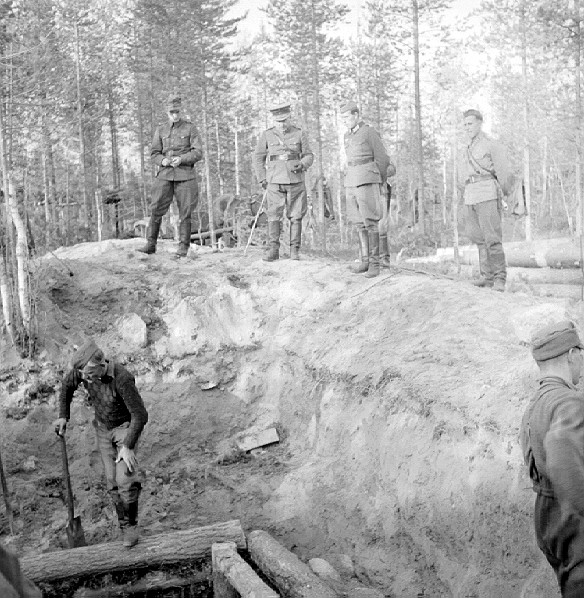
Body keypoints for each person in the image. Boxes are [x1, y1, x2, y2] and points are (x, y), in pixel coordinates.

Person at [53, 340, 149, 548]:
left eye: (89, 374)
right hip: (103, 429)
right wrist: (63, 416)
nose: (86, 379)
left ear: (101, 364)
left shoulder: (122, 379)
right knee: (111, 480)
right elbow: (67, 386)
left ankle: (131, 527)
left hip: (124, 427)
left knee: (126, 478)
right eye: (83, 374)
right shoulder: (84, 371)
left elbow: (140, 415)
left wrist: (128, 446)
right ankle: (123, 525)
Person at [520, 320, 584, 597]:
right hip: (572, 518)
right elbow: (561, 458)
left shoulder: (536, 402)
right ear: (571, 355)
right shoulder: (569, 402)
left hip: (547, 516)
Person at [138, 95, 203, 258]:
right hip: (165, 175)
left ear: (181, 111)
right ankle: (150, 244)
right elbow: (154, 153)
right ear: (167, 113)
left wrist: (181, 159)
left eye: (177, 112)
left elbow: (198, 152)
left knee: (185, 213)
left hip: (185, 175)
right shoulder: (161, 130)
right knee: (155, 209)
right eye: (172, 112)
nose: (175, 115)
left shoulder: (190, 128)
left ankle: (183, 248)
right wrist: (164, 160)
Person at [457, 109, 514, 292]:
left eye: (470, 124)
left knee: (492, 238)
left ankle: (499, 278)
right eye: (465, 124)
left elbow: (503, 173)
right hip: (470, 195)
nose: (467, 128)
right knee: (478, 238)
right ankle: (486, 277)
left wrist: (506, 195)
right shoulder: (466, 147)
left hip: (487, 193)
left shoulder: (491, 145)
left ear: (480, 123)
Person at [253, 102, 314, 261]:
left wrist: (302, 164)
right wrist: (262, 178)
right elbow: (258, 158)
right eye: (279, 121)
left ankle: (295, 251)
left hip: (295, 179)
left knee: (296, 216)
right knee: (273, 215)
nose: (282, 124)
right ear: (273, 120)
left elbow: (309, 155)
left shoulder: (299, 134)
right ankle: (273, 250)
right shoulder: (267, 135)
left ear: (289, 117)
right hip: (274, 180)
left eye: (285, 120)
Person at [340, 101, 393, 278]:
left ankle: (375, 263)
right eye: (343, 118)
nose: (345, 121)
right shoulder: (347, 136)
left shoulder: (369, 132)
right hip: (351, 181)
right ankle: (365, 260)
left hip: (367, 179)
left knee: (371, 222)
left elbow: (382, 158)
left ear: (356, 115)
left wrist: (379, 180)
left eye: (347, 117)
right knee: (358, 222)